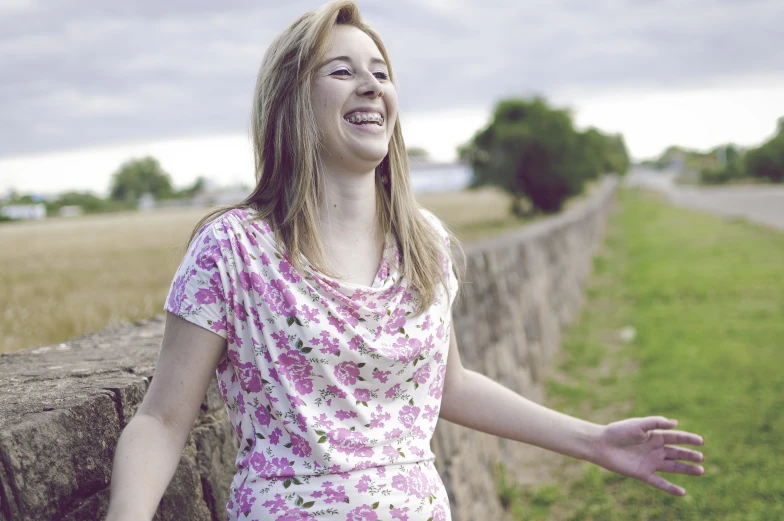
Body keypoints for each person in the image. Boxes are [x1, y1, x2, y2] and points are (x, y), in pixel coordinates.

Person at [104, 2, 706, 520]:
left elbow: (452, 386)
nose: (371, 86)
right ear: (290, 102)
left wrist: (596, 442)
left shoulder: (425, 243)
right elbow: (160, 420)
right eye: (341, 72)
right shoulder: (232, 249)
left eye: (382, 74)